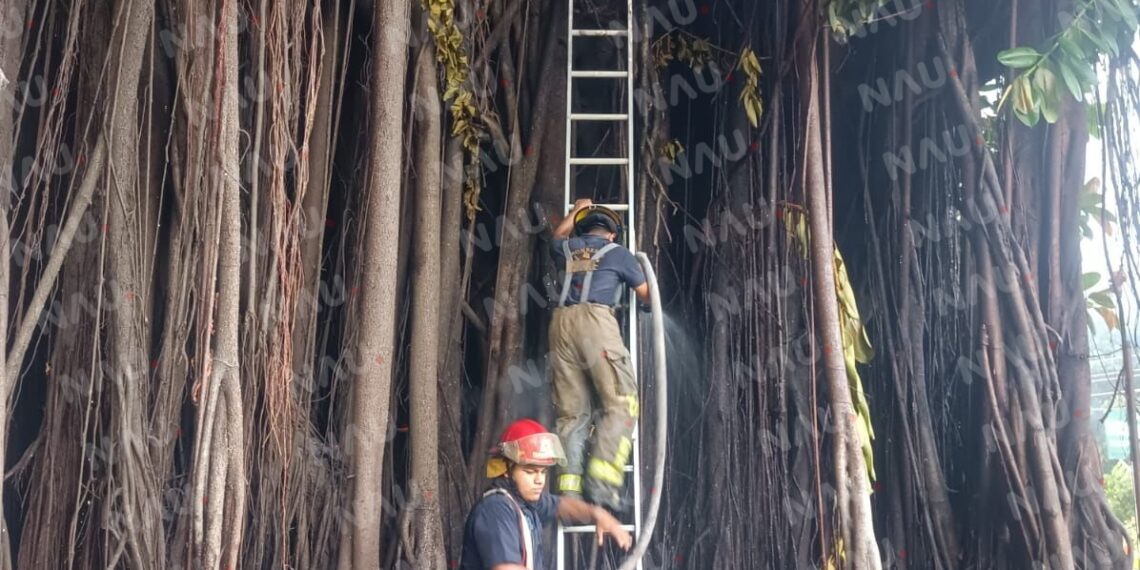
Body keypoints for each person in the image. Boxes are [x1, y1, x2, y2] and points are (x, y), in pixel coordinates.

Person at [548, 199, 650, 510]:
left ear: (583, 229)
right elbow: (647, 295)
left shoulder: (568, 248)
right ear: (612, 234)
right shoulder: (619, 253)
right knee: (622, 403)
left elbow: (557, 235)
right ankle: (602, 486)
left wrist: (576, 209)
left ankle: (569, 493)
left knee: (571, 415)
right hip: (596, 324)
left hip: (560, 326)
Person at [460, 419, 632, 570]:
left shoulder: (525, 502)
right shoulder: (496, 509)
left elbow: (560, 505)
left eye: (543, 472)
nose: (539, 480)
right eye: (530, 472)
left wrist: (597, 514)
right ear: (507, 469)